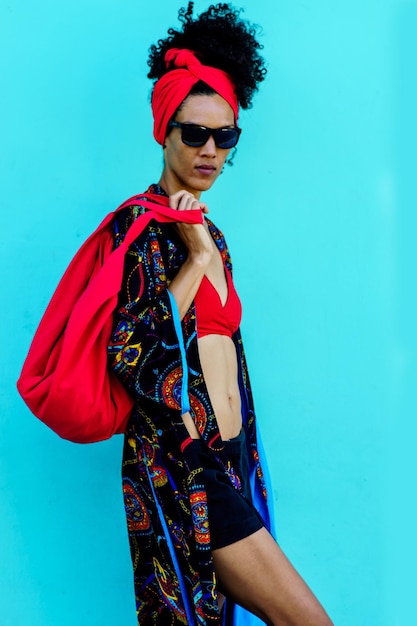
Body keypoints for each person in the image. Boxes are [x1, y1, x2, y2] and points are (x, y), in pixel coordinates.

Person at [107, 3, 333, 625]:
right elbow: (130, 351)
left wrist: (206, 244)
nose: (210, 150)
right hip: (186, 467)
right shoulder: (140, 229)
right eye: (194, 133)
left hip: (232, 461)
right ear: (165, 130)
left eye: (224, 136)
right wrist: (195, 256)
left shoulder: (212, 232)